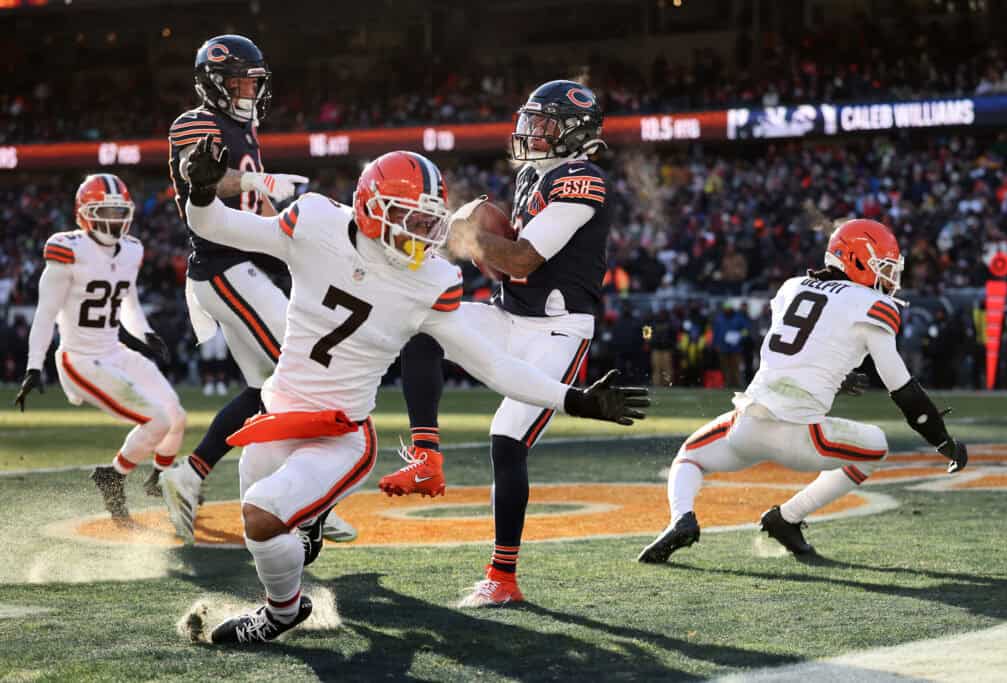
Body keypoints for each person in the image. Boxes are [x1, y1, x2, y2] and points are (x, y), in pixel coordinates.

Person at [182, 137, 648, 644]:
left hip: (343, 434)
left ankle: (277, 615)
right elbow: (213, 224)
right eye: (409, 216)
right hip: (278, 415)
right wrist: (201, 189)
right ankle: (298, 566)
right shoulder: (313, 222)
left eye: (429, 219)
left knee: (263, 514)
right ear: (369, 208)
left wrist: (571, 398)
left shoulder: (431, 279)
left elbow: (492, 364)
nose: (423, 231)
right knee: (265, 529)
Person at [378, 80, 615, 607]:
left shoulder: (583, 178)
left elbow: (524, 258)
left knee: (507, 439)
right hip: (508, 314)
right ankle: (426, 455)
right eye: (531, 121)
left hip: (557, 329)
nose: (531, 132)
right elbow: (498, 254)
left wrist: (459, 230)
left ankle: (503, 578)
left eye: (545, 124)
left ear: (576, 132)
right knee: (425, 325)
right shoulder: (535, 173)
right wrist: (468, 231)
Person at [638, 219, 969, 563]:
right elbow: (902, 388)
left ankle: (682, 518)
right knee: (876, 446)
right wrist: (940, 438)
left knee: (688, 457)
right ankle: (787, 517)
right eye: (881, 268)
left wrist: (835, 379)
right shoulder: (871, 304)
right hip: (802, 436)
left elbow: (799, 353)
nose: (888, 279)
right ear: (854, 260)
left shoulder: (791, 287)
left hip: (747, 425)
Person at [157, 34, 354, 544]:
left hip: (241, 265)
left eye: (254, 81)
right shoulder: (197, 122)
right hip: (224, 266)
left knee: (261, 388)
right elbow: (198, 179)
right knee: (304, 375)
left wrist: (292, 227)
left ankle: (189, 473)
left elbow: (254, 206)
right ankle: (312, 499)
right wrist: (251, 184)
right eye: (240, 81)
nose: (250, 90)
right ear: (214, 85)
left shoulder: (245, 128)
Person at [14, 174, 186, 522]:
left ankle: (158, 479)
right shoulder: (68, 248)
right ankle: (112, 477)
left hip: (115, 351)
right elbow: (46, 313)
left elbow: (129, 304)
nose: (113, 219)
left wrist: (146, 334)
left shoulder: (133, 249)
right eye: (105, 210)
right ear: (85, 213)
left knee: (177, 417)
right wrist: (34, 365)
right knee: (157, 420)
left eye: (118, 211)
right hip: (80, 359)